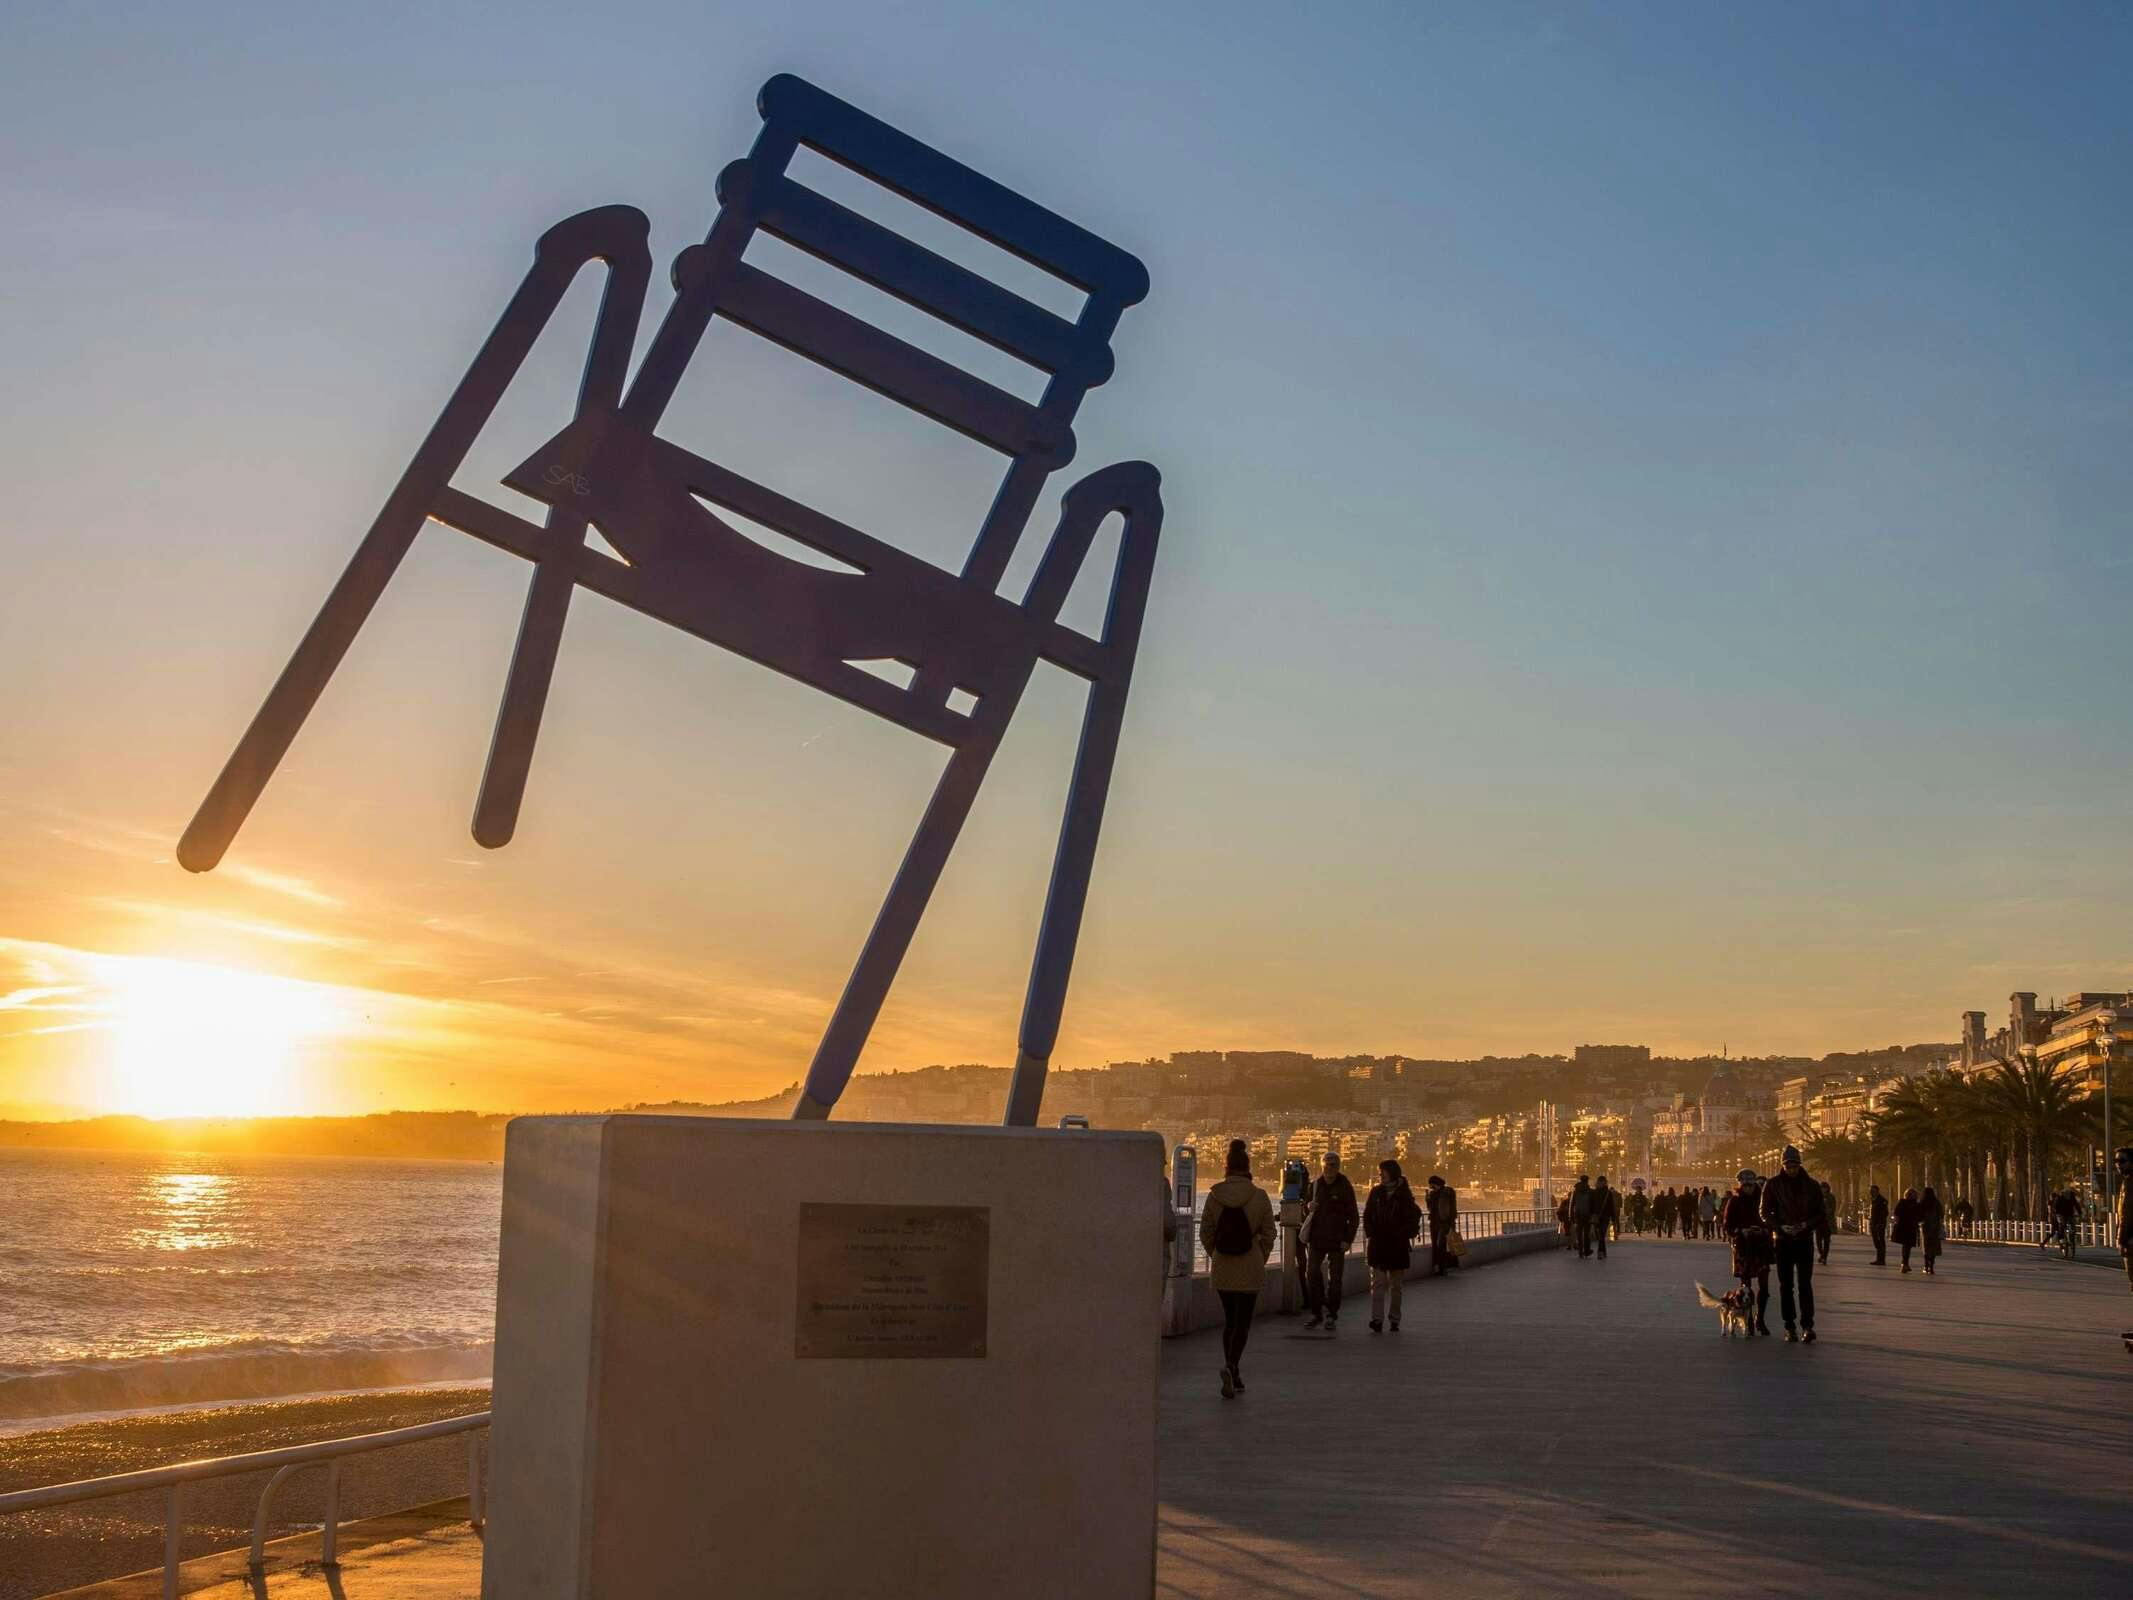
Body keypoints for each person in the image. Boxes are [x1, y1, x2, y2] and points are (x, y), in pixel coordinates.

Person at [1199, 1139, 1274, 1398]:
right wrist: (1258, 1256)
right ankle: (1232, 1366)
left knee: (1230, 1321)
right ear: (1248, 1167)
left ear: (1227, 1168)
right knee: (1242, 1323)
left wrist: (1217, 1255)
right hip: (1250, 1266)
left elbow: (1205, 1232)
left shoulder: (1214, 1196)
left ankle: (1234, 1372)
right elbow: (1270, 1233)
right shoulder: (1260, 1196)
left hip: (1223, 1267)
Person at [1760, 1145, 1826, 1342]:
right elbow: (1764, 1212)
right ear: (1783, 1165)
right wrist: (1780, 1227)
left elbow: (1821, 1213)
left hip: (1804, 1239)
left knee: (1805, 1284)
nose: (1792, 1170)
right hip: (1783, 1240)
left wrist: (1806, 1225)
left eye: (1795, 1166)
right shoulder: (1773, 1185)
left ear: (1800, 1165)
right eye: (1788, 1166)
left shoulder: (1811, 1185)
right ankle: (1789, 1326)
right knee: (1786, 1285)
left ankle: (1807, 1325)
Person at [1300, 1151, 1358, 1330]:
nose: (1330, 1168)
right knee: (1311, 1274)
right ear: (1322, 1165)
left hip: (1337, 1240)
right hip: (1317, 1239)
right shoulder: (1315, 1185)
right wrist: (1308, 1207)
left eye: (1333, 1165)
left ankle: (1332, 1314)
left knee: (1335, 1280)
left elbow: (1353, 1216)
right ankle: (1316, 1312)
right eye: (1327, 1165)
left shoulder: (1345, 1186)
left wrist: (1348, 1239)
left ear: (1338, 1167)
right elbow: (1305, 1210)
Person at [1364, 1160, 1422, 1331]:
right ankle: (1377, 1319)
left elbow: (1412, 1219)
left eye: (1383, 1172)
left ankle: (1394, 1318)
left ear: (1392, 1173)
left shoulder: (1404, 1195)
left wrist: (1401, 1233)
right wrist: (1371, 1232)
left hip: (1397, 1246)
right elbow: (1367, 1215)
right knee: (1378, 1284)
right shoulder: (1376, 1192)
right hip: (1378, 1244)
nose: (1380, 1175)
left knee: (1395, 1286)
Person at [1722, 1168, 1774, 1335]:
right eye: (1745, 1185)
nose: (1748, 1188)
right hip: (1743, 1247)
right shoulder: (1734, 1201)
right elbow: (1728, 1224)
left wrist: (1764, 1229)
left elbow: (1771, 1219)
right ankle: (1748, 1319)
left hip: (1761, 1246)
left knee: (1764, 1287)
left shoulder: (1763, 1200)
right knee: (1746, 1287)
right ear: (1740, 1185)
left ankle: (1760, 1319)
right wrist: (1740, 1231)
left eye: (1750, 1185)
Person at [1425, 1173, 1459, 1275]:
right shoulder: (1433, 1194)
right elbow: (1430, 1208)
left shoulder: (1447, 1191)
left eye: (1431, 1184)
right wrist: (1428, 1199)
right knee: (1437, 1245)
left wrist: (1451, 1221)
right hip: (1436, 1222)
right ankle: (1440, 1268)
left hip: (1444, 1223)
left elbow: (1451, 1207)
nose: (1430, 1187)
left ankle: (1443, 1268)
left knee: (1441, 1245)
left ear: (1435, 1183)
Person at [2114, 1146, 2133, 1294]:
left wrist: (2121, 1239)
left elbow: (2126, 1213)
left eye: (2122, 1161)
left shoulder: (2129, 1183)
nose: (2118, 1164)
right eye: (2116, 1161)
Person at [1892, 1186, 1922, 1273]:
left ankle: (1905, 1263)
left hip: (1904, 1227)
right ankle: (1904, 1263)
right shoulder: (1915, 1204)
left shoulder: (1902, 1202)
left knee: (1906, 1246)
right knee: (1907, 1246)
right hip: (1910, 1227)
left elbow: (1896, 1214)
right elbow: (1919, 1216)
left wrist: (1897, 1222)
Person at [1591, 1175, 1618, 1260]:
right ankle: (1603, 1251)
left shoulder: (1595, 1192)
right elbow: (1612, 1206)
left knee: (1601, 1235)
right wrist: (1613, 1218)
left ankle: (1600, 1252)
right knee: (1601, 1235)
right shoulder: (1607, 1193)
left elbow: (1592, 1205)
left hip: (1600, 1216)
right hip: (1603, 1216)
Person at [1569, 1174, 1595, 1258]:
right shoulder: (1590, 1191)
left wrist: (1571, 1216)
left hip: (1578, 1215)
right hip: (1587, 1215)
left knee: (1579, 1233)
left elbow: (1572, 1204)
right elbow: (1593, 1205)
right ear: (1587, 1181)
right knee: (1587, 1234)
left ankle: (1580, 1251)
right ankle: (1587, 1250)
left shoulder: (1575, 1191)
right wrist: (1593, 1215)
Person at [1920, 1185, 1944, 1276]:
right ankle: (1931, 1266)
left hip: (1925, 1227)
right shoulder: (1936, 1202)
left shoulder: (1922, 1202)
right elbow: (1941, 1214)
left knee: (1926, 1247)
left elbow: (1919, 1214)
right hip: (1935, 1227)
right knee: (1933, 1247)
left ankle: (1926, 1265)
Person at [1815, 1180, 1836, 1265]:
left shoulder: (1831, 1197)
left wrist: (1826, 1213)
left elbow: (1832, 1209)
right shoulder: (1817, 1197)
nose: (1823, 1189)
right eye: (1822, 1188)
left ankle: (1824, 1257)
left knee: (1826, 1241)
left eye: (1825, 1188)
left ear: (1827, 1188)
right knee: (1818, 1241)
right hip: (1819, 1223)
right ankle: (1822, 1254)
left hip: (1827, 1222)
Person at [1868, 1184, 1889, 1265]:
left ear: (1877, 1191)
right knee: (1876, 1242)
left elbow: (1885, 1213)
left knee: (1880, 1241)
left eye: (1872, 1191)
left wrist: (1880, 1223)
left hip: (1879, 1225)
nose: (1871, 1192)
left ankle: (1881, 1260)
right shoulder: (1873, 1200)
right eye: (1870, 1191)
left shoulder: (1882, 1200)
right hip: (1874, 1224)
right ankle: (1878, 1259)